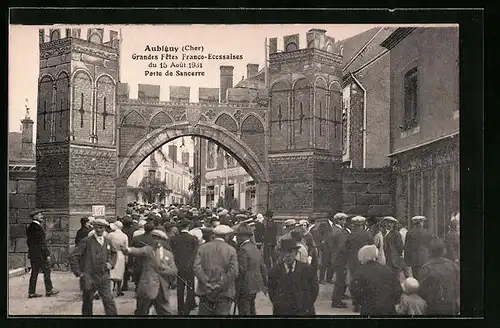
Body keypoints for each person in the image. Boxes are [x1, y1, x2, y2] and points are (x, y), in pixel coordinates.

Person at [122, 229, 178, 316]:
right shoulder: (148, 250)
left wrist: (164, 268)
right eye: (154, 238)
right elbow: (137, 251)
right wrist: (127, 250)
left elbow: (174, 271)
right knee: (141, 311)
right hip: (148, 287)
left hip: (162, 289)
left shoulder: (168, 254)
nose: (156, 241)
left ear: (163, 241)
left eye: (159, 239)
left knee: (165, 312)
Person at [69, 218, 118, 316]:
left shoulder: (107, 241)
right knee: (87, 302)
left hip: (104, 276)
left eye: (101, 228)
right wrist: (78, 272)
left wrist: (111, 263)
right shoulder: (86, 241)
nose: (99, 230)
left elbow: (114, 253)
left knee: (109, 301)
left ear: (104, 228)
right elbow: (73, 255)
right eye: (97, 227)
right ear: (94, 228)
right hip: (90, 276)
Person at [193, 224, 239, 315]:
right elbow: (234, 271)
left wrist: (206, 283)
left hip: (205, 290)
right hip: (224, 292)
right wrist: (220, 285)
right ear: (226, 236)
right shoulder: (231, 250)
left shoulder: (202, 248)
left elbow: (196, 267)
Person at [267, 239, 319, 315]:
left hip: (304, 311)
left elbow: (314, 290)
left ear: (296, 253)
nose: (288, 255)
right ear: (281, 253)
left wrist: (307, 306)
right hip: (283, 312)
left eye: (291, 252)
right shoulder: (274, 272)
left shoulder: (307, 270)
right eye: (285, 252)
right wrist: (279, 306)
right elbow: (272, 293)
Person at [350, 245, 402, 315]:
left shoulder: (360, 272)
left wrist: (362, 302)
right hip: (388, 308)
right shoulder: (387, 270)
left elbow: (354, 290)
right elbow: (398, 289)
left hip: (369, 308)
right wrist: (392, 301)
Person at [419, 238, 460, 315]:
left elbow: (422, 291)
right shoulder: (453, 266)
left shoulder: (425, 268)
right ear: (444, 251)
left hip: (433, 307)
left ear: (429, 251)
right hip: (451, 305)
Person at [234, 223, 268, 315]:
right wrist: (265, 283)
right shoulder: (255, 248)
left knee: (244, 310)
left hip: (245, 285)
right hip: (255, 285)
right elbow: (262, 266)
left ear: (243, 237)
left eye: (238, 236)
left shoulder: (243, 250)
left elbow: (242, 269)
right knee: (251, 307)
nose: (236, 238)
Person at [342, 216, 373, 311]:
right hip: (365, 261)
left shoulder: (350, 235)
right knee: (365, 281)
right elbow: (372, 247)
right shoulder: (368, 234)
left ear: (354, 225)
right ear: (362, 224)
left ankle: (356, 303)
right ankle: (364, 302)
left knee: (354, 282)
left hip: (353, 262)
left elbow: (345, 249)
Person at [26, 210, 59, 299]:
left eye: (41, 214)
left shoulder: (31, 227)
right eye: (39, 214)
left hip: (34, 254)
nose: (41, 216)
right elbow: (41, 243)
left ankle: (31, 292)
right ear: (34, 217)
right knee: (47, 270)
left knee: (34, 273)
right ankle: (49, 290)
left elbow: (29, 242)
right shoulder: (37, 227)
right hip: (39, 254)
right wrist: (46, 254)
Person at [169, 219, 199, 315]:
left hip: (178, 266)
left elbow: (171, 253)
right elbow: (196, 253)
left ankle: (180, 308)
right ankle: (188, 307)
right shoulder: (193, 238)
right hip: (190, 266)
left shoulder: (174, 239)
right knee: (190, 287)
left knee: (180, 288)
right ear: (188, 226)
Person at [318, 212, 347, 285]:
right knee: (324, 263)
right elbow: (320, 234)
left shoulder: (337, 227)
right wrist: (322, 243)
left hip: (334, 247)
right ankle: (321, 279)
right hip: (326, 247)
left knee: (331, 263)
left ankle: (329, 278)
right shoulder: (325, 224)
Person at [404, 216, 433, 280]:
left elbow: (407, 247)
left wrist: (407, 261)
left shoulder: (410, 232)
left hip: (413, 257)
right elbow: (430, 245)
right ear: (421, 222)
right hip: (424, 257)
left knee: (416, 276)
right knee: (424, 276)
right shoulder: (427, 232)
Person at [107, 221, 129, 297]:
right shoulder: (124, 236)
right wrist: (126, 258)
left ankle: (111, 290)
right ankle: (119, 290)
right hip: (121, 254)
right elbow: (126, 248)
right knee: (120, 273)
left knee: (112, 273)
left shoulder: (110, 235)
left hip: (112, 254)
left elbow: (107, 244)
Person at [382, 216, 405, 281]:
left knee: (395, 278)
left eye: (391, 223)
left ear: (394, 224)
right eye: (387, 223)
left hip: (394, 260)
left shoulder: (396, 234)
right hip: (388, 259)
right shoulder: (385, 233)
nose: (389, 224)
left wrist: (397, 256)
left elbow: (400, 247)